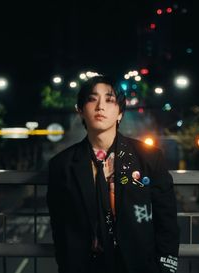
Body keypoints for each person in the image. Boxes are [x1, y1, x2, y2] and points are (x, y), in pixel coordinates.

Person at [47, 75, 180, 273]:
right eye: (92, 99)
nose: (100, 106)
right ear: (80, 111)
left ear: (120, 113)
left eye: (109, 100)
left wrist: (165, 267)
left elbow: (166, 218)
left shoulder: (149, 157)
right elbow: (59, 225)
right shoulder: (62, 165)